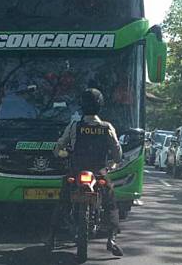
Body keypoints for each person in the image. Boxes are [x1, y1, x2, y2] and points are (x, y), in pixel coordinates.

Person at [46, 88, 124, 256]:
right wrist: (114, 163)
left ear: (82, 107)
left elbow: (58, 148)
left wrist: (62, 153)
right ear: (100, 106)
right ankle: (111, 240)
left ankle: (51, 237)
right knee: (110, 203)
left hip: (75, 172)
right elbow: (117, 152)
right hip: (99, 173)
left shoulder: (75, 126)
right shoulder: (107, 127)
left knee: (63, 202)